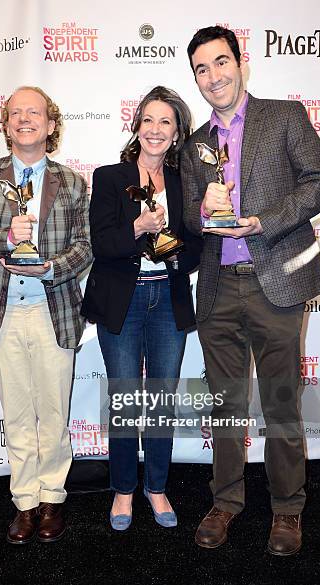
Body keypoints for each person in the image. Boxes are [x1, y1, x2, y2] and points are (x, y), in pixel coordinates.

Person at [181, 27, 320, 555]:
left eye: (221, 62)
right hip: (219, 288)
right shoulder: (195, 145)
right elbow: (185, 217)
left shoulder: (284, 116)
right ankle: (225, 501)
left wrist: (261, 222)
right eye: (202, 69)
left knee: (281, 403)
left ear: (240, 62)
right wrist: (203, 212)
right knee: (225, 405)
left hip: (277, 282)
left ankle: (288, 510)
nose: (213, 76)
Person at [0, 86, 92, 544]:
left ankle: (52, 498)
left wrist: (52, 267)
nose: (24, 119)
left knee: (53, 413)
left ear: (50, 125)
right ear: (7, 125)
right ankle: (25, 503)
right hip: (3, 314)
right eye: (16, 113)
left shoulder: (73, 182)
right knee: (17, 414)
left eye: (34, 112)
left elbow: (85, 248)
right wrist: (5, 236)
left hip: (52, 310)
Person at [81, 86, 201, 530]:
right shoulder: (110, 177)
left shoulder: (185, 183)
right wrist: (139, 227)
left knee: (163, 398)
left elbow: (197, 248)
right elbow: (102, 244)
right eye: (148, 120)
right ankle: (124, 491)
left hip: (167, 302)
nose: (155, 130)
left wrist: (170, 251)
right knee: (126, 398)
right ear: (136, 126)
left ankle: (157, 488)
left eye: (165, 122)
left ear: (177, 133)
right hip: (123, 302)